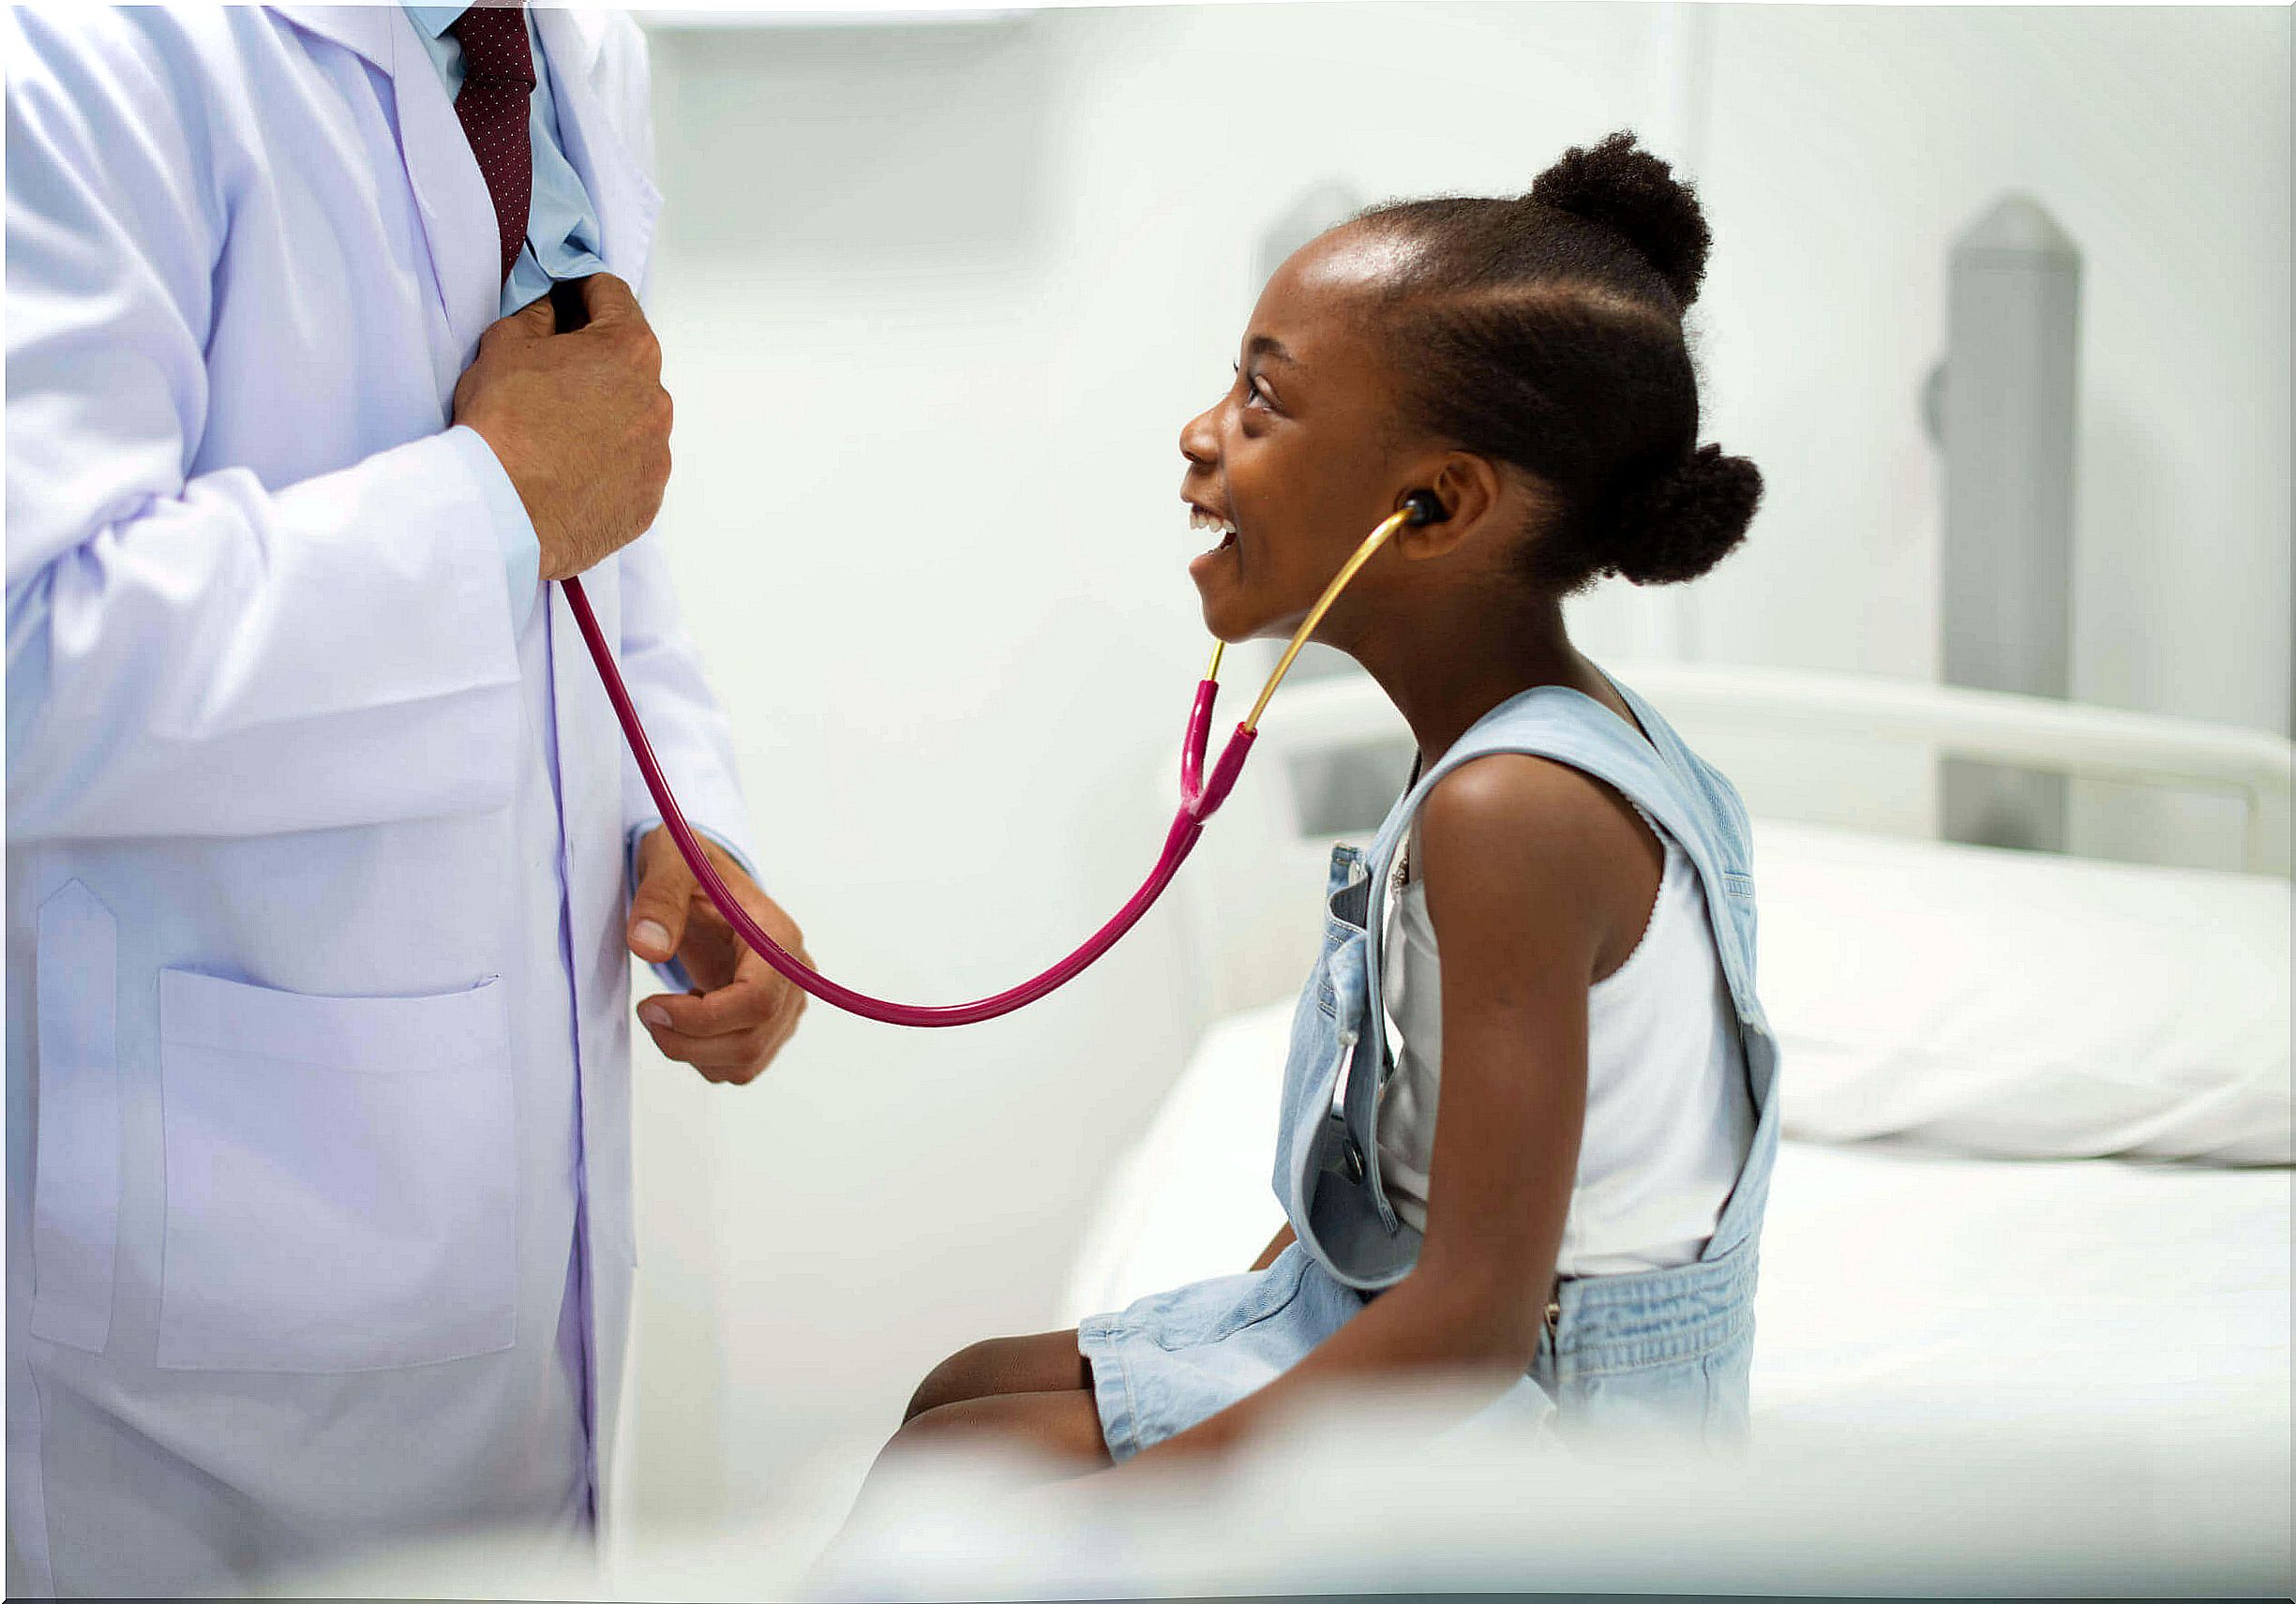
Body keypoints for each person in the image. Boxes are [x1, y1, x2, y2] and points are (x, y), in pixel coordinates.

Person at [5, 7, 807, 1594]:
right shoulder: (78, 49)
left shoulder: (570, 48)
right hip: (201, 1286)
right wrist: (485, 504)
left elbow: (592, 521)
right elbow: (33, 649)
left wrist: (678, 810)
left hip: (498, 1222)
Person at [868, 132, 1776, 1482]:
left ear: (1430, 508)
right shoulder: (1504, 746)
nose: (1197, 434)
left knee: (970, 1472)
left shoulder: (1512, 810)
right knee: (958, 1398)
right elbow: (1401, 1191)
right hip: (1407, 1324)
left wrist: (1148, 1501)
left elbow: (1472, 1324)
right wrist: (1218, 1348)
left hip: (1554, 1440)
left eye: (1258, 403)